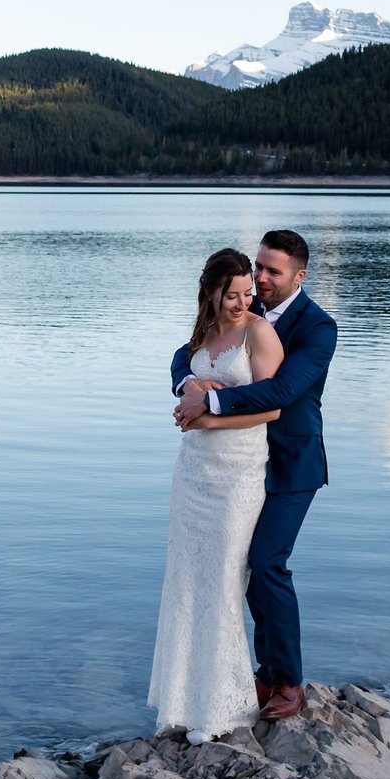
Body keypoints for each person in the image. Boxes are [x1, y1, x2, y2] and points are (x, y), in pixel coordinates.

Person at [169, 229, 338, 724]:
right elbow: (189, 350)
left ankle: (289, 682)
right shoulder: (245, 306)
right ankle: (259, 671)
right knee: (235, 565)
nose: (260, 278)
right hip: (233, 466)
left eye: (272, 271)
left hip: (290, 464)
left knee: (267, 564)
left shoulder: (317, 328)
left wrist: (210, 404)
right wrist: (189, 381)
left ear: (299, 276)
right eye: (258, 267)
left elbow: (282, 391)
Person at [148, 247, 284, 740]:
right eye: (233, 294)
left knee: (224, 580)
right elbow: (181, 369)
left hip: (237, 474)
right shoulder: (202, 335)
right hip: (193, 473)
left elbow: (271, 410)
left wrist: (207, 416)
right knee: (186, 579)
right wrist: (188, 383)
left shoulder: (259, 332)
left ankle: (221, 709)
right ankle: (180, 703)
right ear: (211, 291)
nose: (243, 302)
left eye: (248, 293)